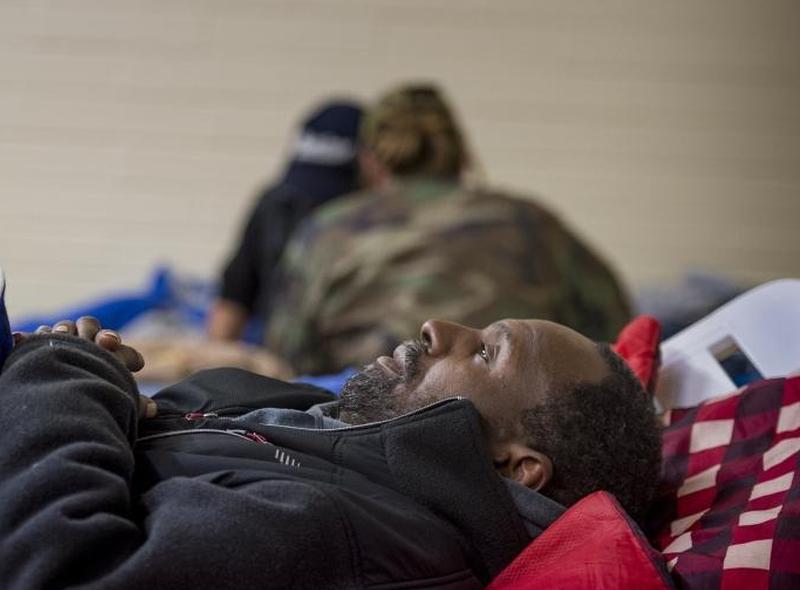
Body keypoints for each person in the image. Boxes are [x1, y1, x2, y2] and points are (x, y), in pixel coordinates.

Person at [0, 314, 662, 590]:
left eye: (483, 352)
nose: (438, 329)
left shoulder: (352, 544)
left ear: (519, 468)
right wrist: (109, 387)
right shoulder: (343, 433)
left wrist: (63, 377)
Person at [266, 84, 632, 375]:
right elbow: (615, 333)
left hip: (369, 417)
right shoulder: (530, 222)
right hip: (504, 417)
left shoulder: (326, 229)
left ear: (370, 160)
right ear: (461, 153)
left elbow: (288, 355)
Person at [208, 100, 364, 343]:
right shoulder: (276, 203)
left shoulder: (386, 225)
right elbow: (234, 295)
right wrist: (215, 365)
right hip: (275, 352)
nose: (319, 215)